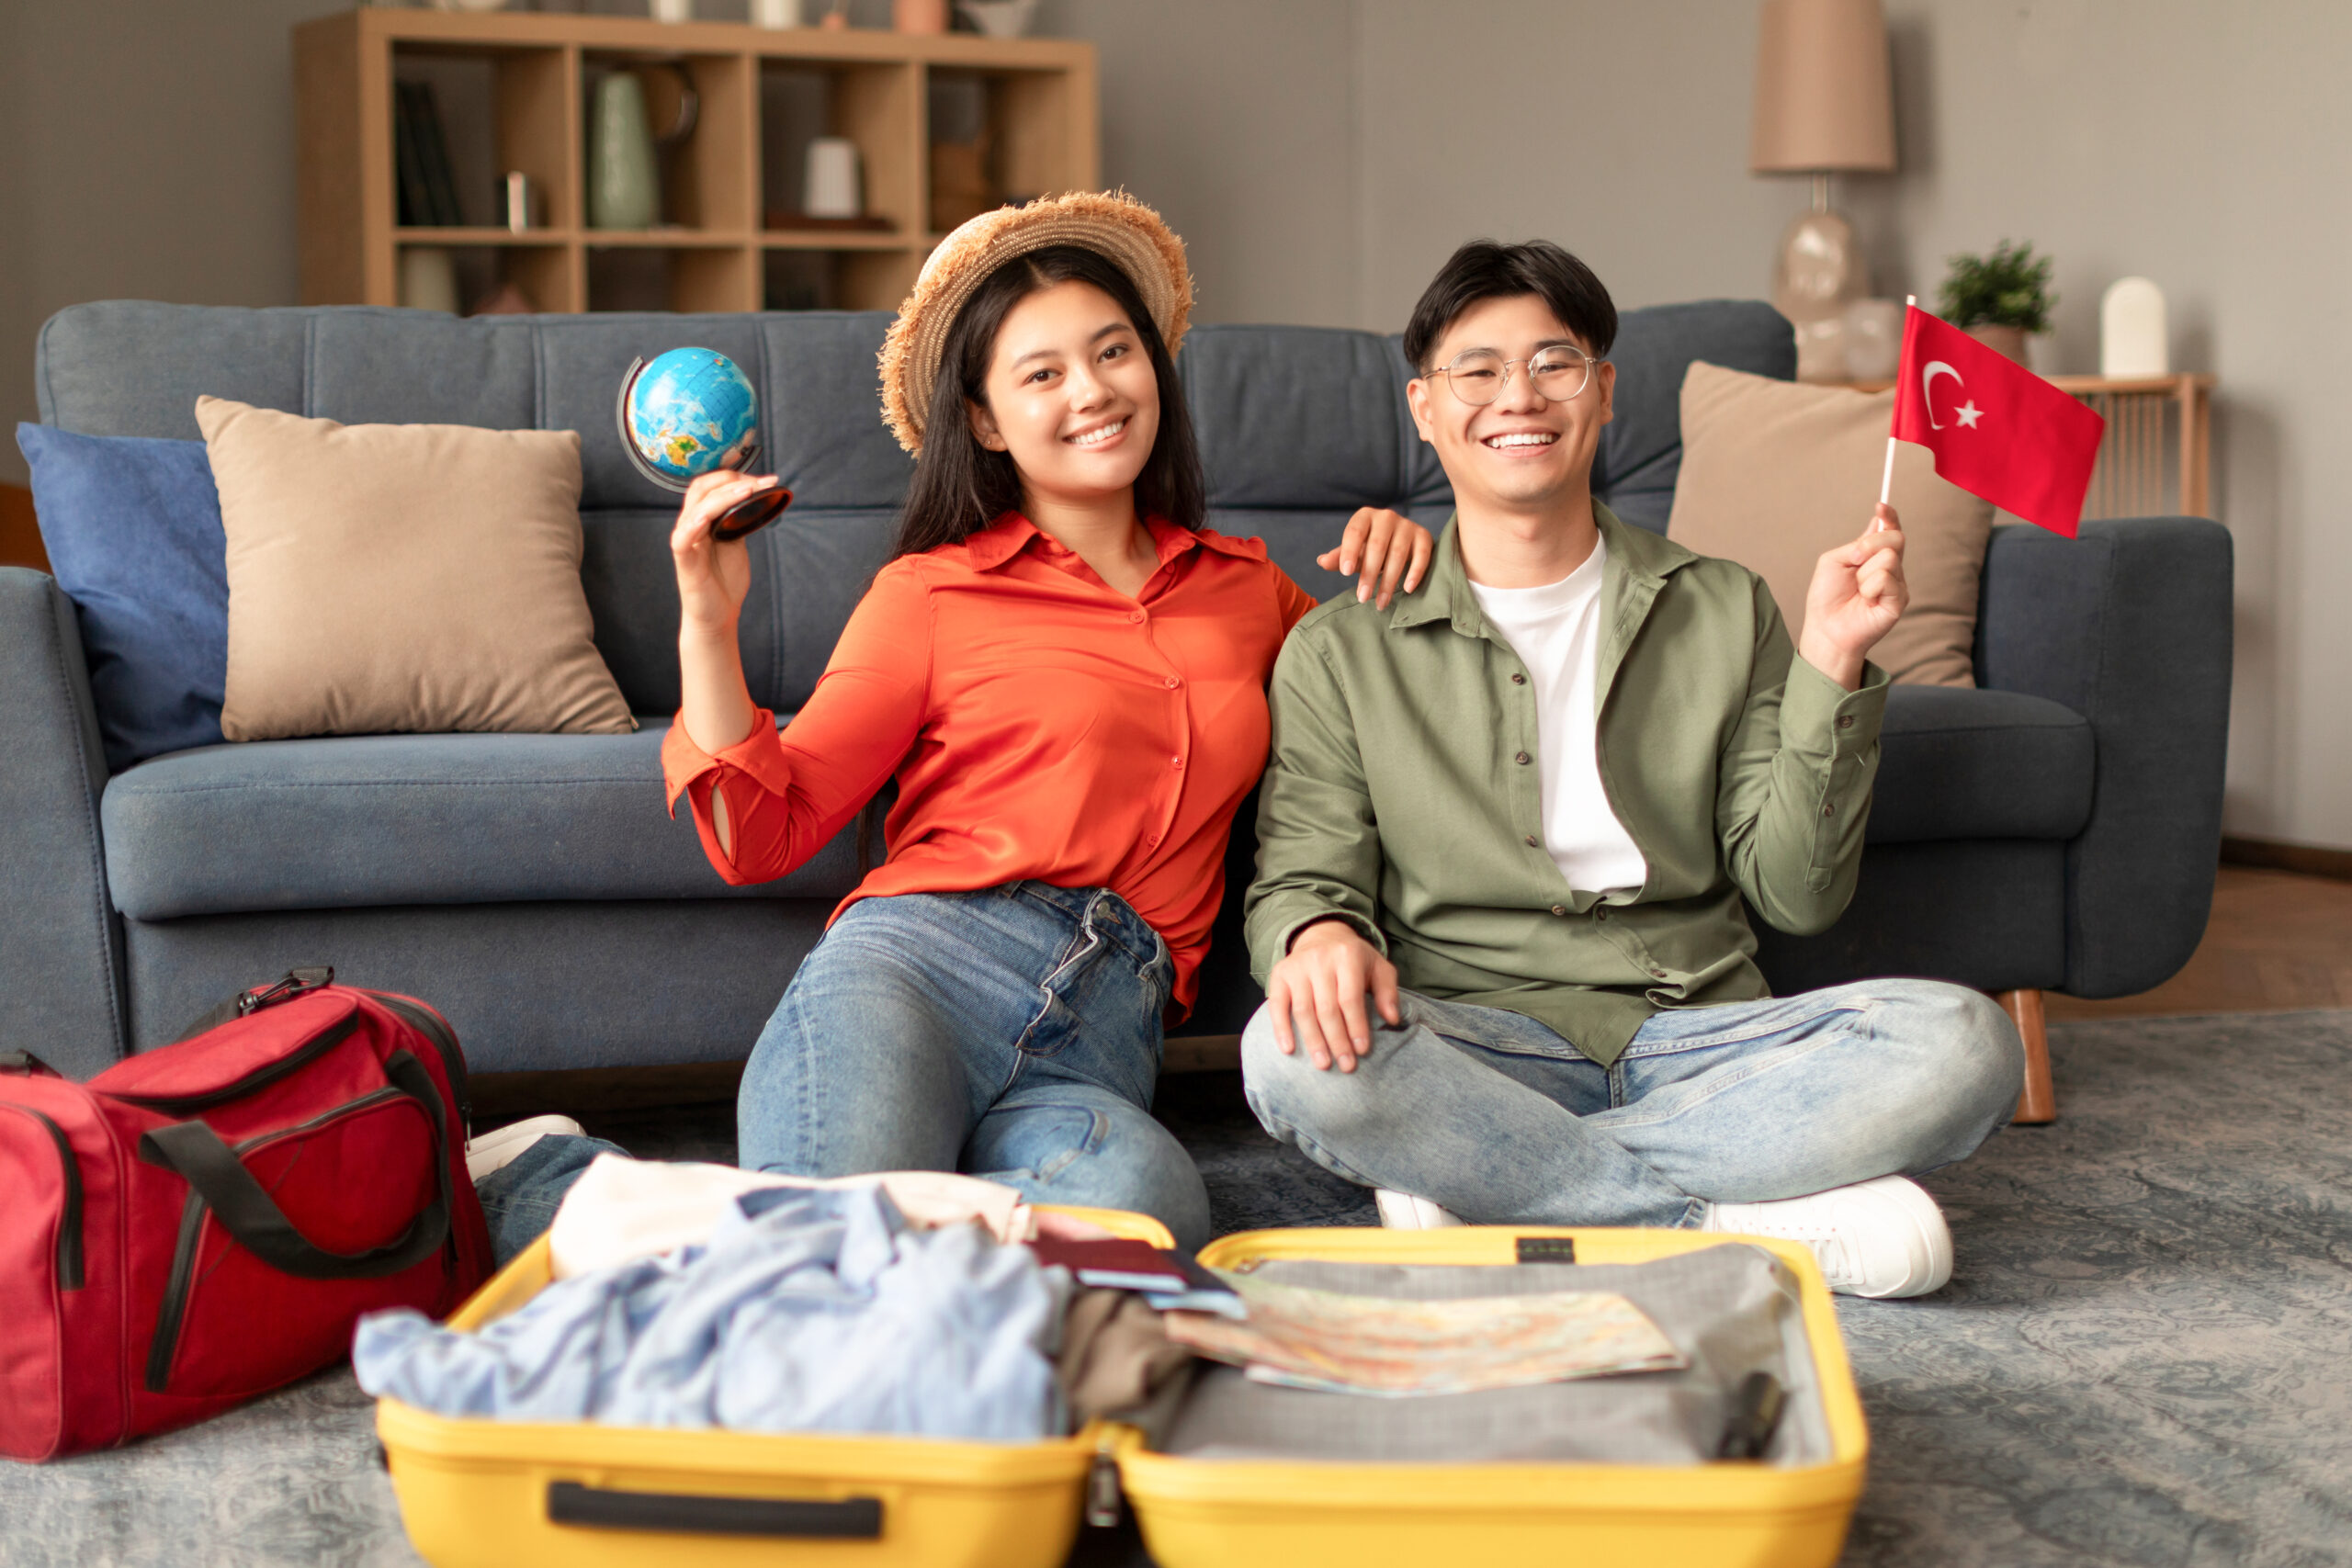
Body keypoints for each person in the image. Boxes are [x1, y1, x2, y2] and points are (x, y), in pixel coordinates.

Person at [639, 193, 1433, 1253]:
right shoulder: (929, 595)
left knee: (1144, 1219)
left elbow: (1382, 737)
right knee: (826, 1251)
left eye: (1113, 353)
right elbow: (760, 837)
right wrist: (707, 621)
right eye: (1042, 373)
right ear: (982, 420)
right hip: (915, 970)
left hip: (1103, 1035)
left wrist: (1403, 575)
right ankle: (568, 1189)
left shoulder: (1248, 592)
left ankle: (820, 1236)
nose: (1094, 392)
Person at [1238, 240, 2024, 1297]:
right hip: (1473, 1038)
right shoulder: (1342, 648)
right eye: (1477, 370)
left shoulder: (1722, 603)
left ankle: (1495, 1183)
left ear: (1602, 391)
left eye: (1553, 363)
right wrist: (1316, 934)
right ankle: (1727, 1218)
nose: (1518, 395)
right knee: (1286, 1056)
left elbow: (1797, 895)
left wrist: (1832, 661)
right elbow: (1303, 873)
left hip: (1701, 1036)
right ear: (1424, 410)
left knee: (1968, 1045)